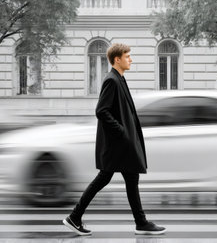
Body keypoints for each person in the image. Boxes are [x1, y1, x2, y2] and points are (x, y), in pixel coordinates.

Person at [63, 43, 166, 236]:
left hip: (121, 143)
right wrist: (121, 131)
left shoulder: (119, 79)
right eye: (127, 56)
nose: (131, 59)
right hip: (116, 144)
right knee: (105, 178)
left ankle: (141, 222)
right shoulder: (112, 80)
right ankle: (74, 217)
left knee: (130, 178)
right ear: (117, 59)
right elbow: (101, 111)